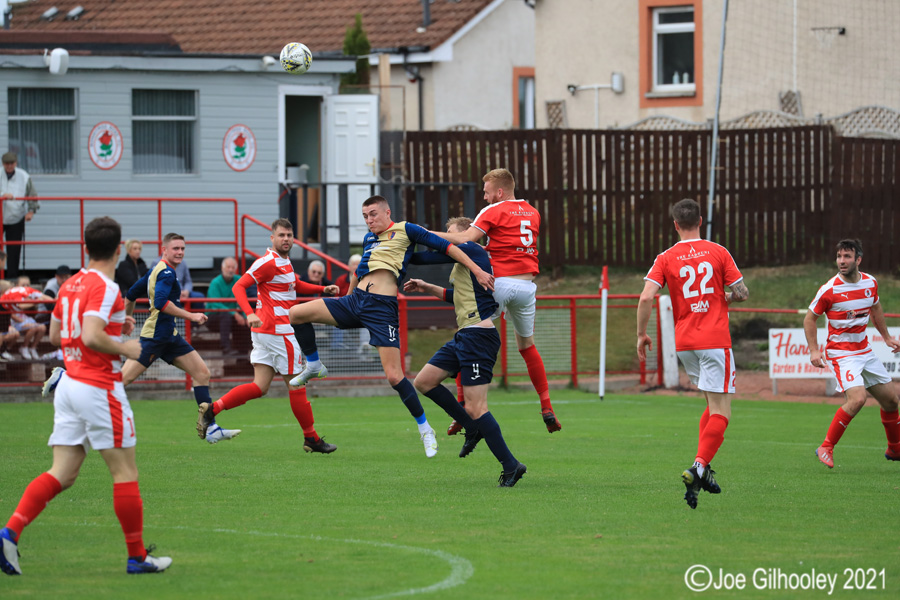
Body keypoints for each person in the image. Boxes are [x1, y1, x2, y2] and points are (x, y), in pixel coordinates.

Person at [0, 216, 172, 576]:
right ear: (117, 247)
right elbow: (92, 336)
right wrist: (127, 345)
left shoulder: (70, 284)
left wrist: (114, 328)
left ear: (86, 246)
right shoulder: (107, 286)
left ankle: (9, 533)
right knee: (125, 472)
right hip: (97, 387)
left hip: (70, 384)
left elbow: (54, 336)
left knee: (63, 473)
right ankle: (137, 557)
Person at [287, 195, 494, 458]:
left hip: (381, 307)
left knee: (395, 377)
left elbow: (449, 248)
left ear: (387, 212)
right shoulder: (368, 240)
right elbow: (358, 270)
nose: (369, 220)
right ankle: (314, 365)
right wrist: (346, 297)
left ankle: (425, 429)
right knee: (296, 313)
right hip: (354, 301)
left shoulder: (406, 229)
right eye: (365, 216)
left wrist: (476, 270)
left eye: (373, 214)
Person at [636, 198, 748, 510]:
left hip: (685, 344)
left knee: (711, 405)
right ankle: (698, 467)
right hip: (714, 338)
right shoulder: (718, 251)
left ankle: (703, 469)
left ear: (675, 224)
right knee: (723, 412)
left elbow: (646, 297)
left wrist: (641, 334)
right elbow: (741, 292)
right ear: (701, 220)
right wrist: (724, 296)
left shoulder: (666, 257)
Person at [430, 168, 561, 434]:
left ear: (499, 191)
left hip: (498, 283)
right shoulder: (533, 212)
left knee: (467, 334)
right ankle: (547, 406)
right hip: (526, 287)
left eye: (487, 191)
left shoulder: (493, 211)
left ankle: (462, 406)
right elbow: (511, 243)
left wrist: (425, 233)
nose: (485, 196)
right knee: (527, 347)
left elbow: (466, 240)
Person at [196, 219, 339, 454]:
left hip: (266, 333)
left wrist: (321, 289)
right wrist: (249, 313)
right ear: (272, 238)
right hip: (279, 332)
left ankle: (213, 409)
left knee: (260, 387)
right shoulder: (268, 262)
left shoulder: (283, 261)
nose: (286, 239)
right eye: (281, 235)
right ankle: (311, 438)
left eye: (290, 235)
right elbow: (238, 287)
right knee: (297, 385)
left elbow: (294, 284)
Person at [406, 217, 526, 486]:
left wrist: (408, 239)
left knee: (477, 406)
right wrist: (427, 287)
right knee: (424, 381)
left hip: (477, 337)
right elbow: (456, 296)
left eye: (451, 234)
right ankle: (471, 428)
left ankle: (511, 465)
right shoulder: (466, 260)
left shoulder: (472, 249)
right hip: (465, 335)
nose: (447, 239)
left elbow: (423, 259)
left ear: (466, 235)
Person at [122, 232, 240, 444]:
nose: (179, 252)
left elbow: (131, 294)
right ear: (164, 249)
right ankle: (68, 381)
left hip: (170, 337)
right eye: (175, 248)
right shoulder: (166, 272)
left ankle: (211, 428)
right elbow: (160, 303)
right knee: (121, 381)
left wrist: (127, 318)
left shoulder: (156, 271)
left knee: (202, 373)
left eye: (182, 248)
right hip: (155, 338)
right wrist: (191, 315)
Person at [805, 239, 900, 469]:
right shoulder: (830, 289)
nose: (841, 261)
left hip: (864, 351)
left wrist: (886, 337)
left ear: (858, 259)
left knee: (891, 401)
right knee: (858, 398)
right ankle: (826, 446)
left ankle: (895, 449)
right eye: (839, 256)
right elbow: (810, 318)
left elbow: (875, 308)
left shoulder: (870, 283)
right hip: (842, 353)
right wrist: (814, 350)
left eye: (847, 256)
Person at [1, 152, 39, 280]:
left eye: (11, 163)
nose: (9, 166)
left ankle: (11, 278)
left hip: (16, 217)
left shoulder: (24, 176)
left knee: (14, 250)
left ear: (16, 163)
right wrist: (3, 196)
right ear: (3, 164)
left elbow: (32, 195)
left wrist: (31, 211)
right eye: (7, 164)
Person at [0, 277, 52, 360]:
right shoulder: (12, 298)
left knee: (41, 327)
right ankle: (11, 350)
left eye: (27, 285)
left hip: (23, 321)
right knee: (4, 334)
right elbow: (20, 307)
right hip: (16, 323)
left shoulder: (29, 294)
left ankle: (31, 348)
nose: (25, 287)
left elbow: (46, 298)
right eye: (23, 285)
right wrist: (37, 301)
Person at [205, 257, 248, 356]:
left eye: (233, 267)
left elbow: (243, 300)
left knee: (244, 322)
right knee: (226, 316)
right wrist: (235, 313)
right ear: (222, 268)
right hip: (213, 317)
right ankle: (226, 348)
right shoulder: (215, 283)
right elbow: (215, 304)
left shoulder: (239, 280)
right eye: (228, 267)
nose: (230, 270)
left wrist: (246, 316)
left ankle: (243, 355)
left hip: (230, 317)